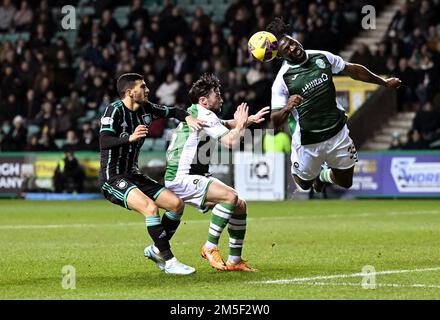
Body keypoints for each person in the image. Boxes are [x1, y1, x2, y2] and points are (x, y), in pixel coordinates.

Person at [267, 18, 402, 192]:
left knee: (346, 182)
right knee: (304, 184)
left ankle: (323, 175)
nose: (293, 48)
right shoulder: (282, 80)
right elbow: (274, 121)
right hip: (308, 141)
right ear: (280, 56)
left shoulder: (321, 56)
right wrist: (287, 107)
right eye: (287, 49)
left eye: (292, 43)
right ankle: (314, 176)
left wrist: (383, 82)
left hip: (336, 132)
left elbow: (352, 69)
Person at [99, 73, 204, 275]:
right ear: (130, 92)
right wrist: (130, 138)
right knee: (150, 208)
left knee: (176, 205)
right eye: (143, 86)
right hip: (112, 177)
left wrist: (189, 117)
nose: (148, 90)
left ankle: (157, 249)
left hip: (133, 174)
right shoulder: (114, 110)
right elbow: (104, 142)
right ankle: (169, 261)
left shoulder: (147, 109)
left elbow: (173, 111)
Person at [164, 74, 269, 272]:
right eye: (217, 95)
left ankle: (235, 260)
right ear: (203, 100)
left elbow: (224, 123)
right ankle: (210, 247)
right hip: (182, 177)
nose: (221, 98)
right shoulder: (204, 115)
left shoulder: (200, 113)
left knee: (239, 205)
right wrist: (240, 124)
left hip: (190, 175)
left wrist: (248, 121)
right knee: (230, 196)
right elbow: (231, 141)